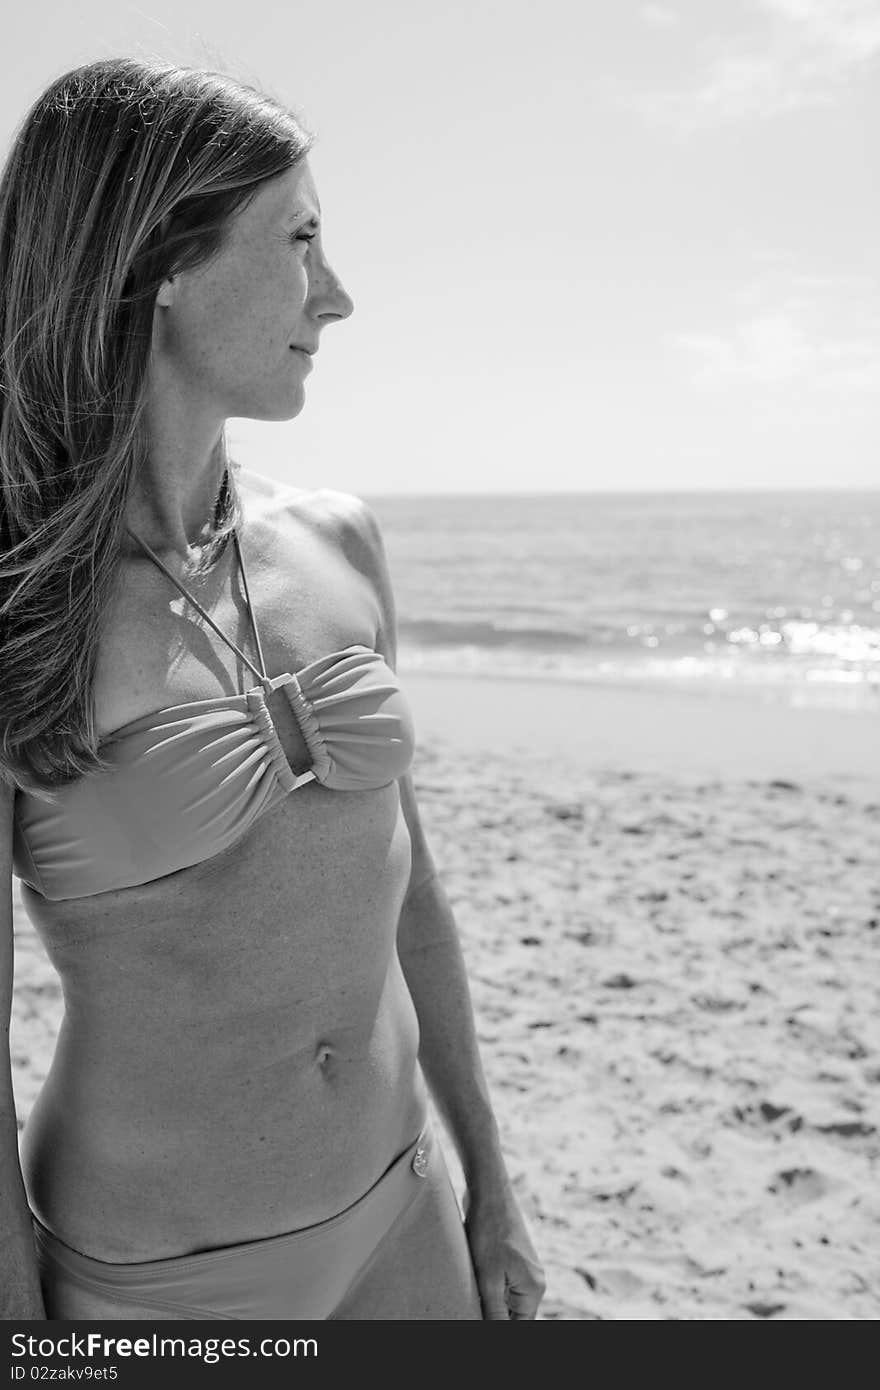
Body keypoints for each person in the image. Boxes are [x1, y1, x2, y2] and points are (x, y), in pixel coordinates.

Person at [0, 58, 545, 1321]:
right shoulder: (23, 606)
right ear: (161, 265)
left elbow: (409, 900)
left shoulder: (339, 541)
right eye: (299, 239)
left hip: (402, 1210)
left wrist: (490, 1179)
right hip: (161, 1283)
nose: (336, 295)